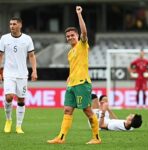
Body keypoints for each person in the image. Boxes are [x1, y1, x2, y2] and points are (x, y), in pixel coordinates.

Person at [47, 6, 101, 144]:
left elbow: (84, 31)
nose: (70, 37)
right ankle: (61, 137)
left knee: (87, 110)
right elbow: (74, 66)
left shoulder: (82, 45)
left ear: (77, 36)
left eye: (72, 35)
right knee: (67, 110)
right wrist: (69, 76)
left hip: (82, 83)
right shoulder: (70, 53)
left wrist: (79, 14)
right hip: (72, 84)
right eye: (68, 36)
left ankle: (96, 138)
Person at [0, 17, 37, 134]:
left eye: (14, 24)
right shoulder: (4, 38)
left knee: (21, 100)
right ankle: (8, 120)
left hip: (22, 74)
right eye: (10, 24)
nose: (12, 26)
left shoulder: (27, 39)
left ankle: (19, 126)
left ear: (20, 25)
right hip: (9, 73)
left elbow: (31, 55)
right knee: (9, 97)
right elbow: (0, 55)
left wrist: (34, 71)